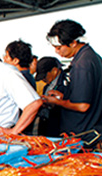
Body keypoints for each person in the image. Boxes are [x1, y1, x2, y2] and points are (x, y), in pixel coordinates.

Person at [44, 19, 102, 148]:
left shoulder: (83, 64)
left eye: (59, 48)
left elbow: (83, 106)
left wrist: (57, 102)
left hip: (83, 135)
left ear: (73, 42)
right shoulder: (91, 56)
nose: (57, 52)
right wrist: (63, 95)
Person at [34, 57, 69, 137]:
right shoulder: (47, 86)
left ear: (54, 71)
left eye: (44, 76)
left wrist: (58, 102)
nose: (43, 79)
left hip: (61, 128)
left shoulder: (67, 83)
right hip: (47, 124)